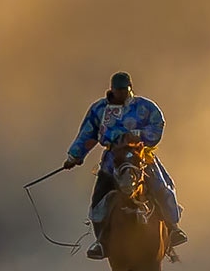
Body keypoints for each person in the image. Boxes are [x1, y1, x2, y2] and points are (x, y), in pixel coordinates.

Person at [66, 72, 185, 259]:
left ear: (130, 87)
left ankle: (173, 228)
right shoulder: (99, 109)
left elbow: (157, 124)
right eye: (118, 90)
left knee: (161, 186)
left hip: (141, 156)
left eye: (124, 89)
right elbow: (88, 133)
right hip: (114, 159)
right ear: (112, 89)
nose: (121, 93)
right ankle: (101, 242)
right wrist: (74, 156)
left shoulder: (145, 107)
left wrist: (138, 134)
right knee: (99, 199)